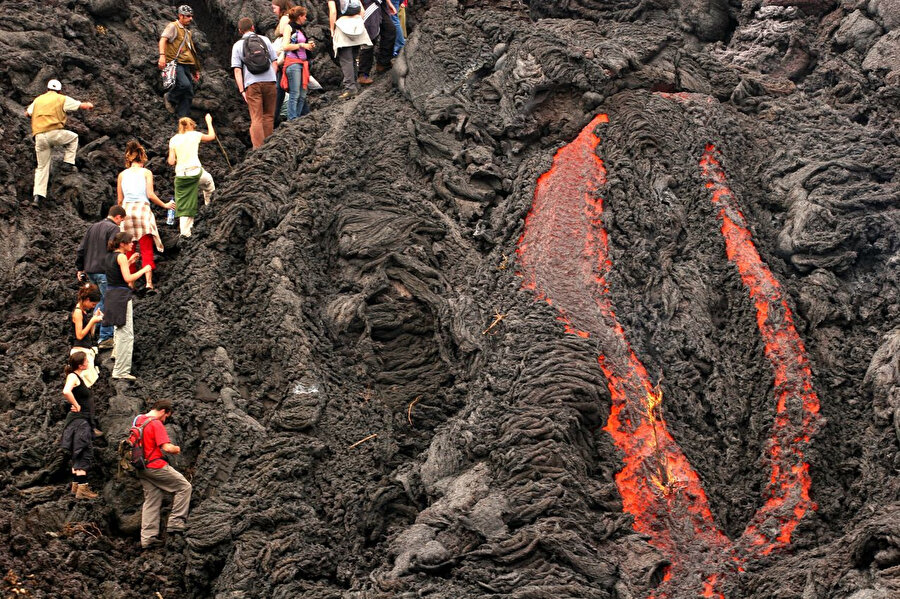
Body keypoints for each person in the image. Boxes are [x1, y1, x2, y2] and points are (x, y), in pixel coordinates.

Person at [25, 80, 94, 207]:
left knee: (42, 167)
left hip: (39, 136)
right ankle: (68, 164)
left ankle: (37, 197)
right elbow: (81, 106)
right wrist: (89, 104)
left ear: (47, 89)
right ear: (59, 90)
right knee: (73, 138)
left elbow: (27, 113)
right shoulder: (61, 99)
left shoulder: (38, 99)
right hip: (54, 133)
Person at [133, 399, 191, 549]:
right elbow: (167, 448)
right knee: (184, 486)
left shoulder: (138, 419)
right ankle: (176, 522)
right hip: (155, 465)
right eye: (166, 416)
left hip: (140, 466)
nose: (165, 420)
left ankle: (147, 538)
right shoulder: (155, 423)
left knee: (152, 498)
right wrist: (177, 449)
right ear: (163, 411)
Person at [117, 141, 174, 292]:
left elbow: (119, 200)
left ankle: (131, 283)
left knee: (129, 248)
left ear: (129, 159)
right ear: (142, 159)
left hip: (127, 212)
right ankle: (149, 283)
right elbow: (150, 194)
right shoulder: (146, 173)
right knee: (146, 248)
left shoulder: (122, 175)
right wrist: (165, 205)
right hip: (142, 211)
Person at [102, 232, 152, 381]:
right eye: (129, 242)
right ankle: (121, 371)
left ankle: (116, 356)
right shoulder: (121, 257)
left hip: (111, 295)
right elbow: (127, 278)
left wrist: (129, 262)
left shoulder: (109, 256)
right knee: (126, 334)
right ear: (122, 244)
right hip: (121, 297)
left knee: (118, 330)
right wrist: (144, 270)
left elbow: (115, 273)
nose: (132, 245)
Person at [76, 205, 127, 350]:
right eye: (121, 220)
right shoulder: (114, 229)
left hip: (91, 270)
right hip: (104, 271)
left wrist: (80, 268)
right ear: (117, 217)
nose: (120, 223)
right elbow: (113, 249)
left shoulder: (93, 227)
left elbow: (81, 249)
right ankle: (105, 337)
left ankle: (92, 330)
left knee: (100, 301)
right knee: (108, 302)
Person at [231, 18, 278, 149]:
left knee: (256, 118)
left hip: (252, 84)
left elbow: (237, 70)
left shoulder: (237, 46)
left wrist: (242, 90)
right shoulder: (265, 40)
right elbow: (274, 62)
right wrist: (272, 78)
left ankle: (259, 149)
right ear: (253, 27)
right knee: (268, 116)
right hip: (270, 81)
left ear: (240, 31)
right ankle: (269, 146)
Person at [60, 351, 102, 499]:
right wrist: (76, 405)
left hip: (80, 421)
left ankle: (76, 487)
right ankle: (83, 490)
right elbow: (66, 391)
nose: (89, 362)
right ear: (80, 364)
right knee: (84, 452)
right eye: (86, 360)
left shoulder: (78, 376)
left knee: (78, 452)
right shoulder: (73, 376)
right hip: (79, 421)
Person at [168, 115, 216, 237]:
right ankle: (210, 208)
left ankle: (185, 236)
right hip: (196, 173)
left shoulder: (173, 139)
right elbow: (211, 136)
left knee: (185, 207)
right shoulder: (195, 134)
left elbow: (171, 161)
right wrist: (209, 122)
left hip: (182, 177)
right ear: (192, 126)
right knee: (209, 183)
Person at [158, 5, 201, 118]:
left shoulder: (187, 32)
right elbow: (163, 40)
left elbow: (190, 52)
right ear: (180, 16)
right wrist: (162, 56)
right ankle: (169, 97)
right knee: (185, 85)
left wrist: (195, 69)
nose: (190, 18)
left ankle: (183, 119)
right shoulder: (173, 26)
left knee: (189, 92)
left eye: (191, 16)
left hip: (185, 65)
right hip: (175, 63)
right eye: (187, 16)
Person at [329, 0, 372, 99]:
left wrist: (332, 29)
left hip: (342, 27)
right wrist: (357, 23)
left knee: (346, 60)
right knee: (353, 58)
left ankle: (350, 88)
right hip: (356, 26)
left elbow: (333, 12)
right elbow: (362, 11)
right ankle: (355, 85)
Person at [281, 6, 316, 120]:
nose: (305, 18)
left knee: (302, 95)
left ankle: (297, 119)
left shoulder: (300, 30)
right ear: (299, 17)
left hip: (302, 64)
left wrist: (309, 45)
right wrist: (302, 45)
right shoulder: (289, 28)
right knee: (295, 94)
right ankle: (292, 119)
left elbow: (302, 45)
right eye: (304, 16)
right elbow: (285, 46)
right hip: (293, 63)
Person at [70, 283, 103, 387]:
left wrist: (94, 318)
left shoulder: (83, 311)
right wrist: (92, 321)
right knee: (84, 385)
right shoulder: (78, 312)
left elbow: (90, 334)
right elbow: (79, 335)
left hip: (86, 349)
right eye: (93, 304)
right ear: (88, 299)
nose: (93, 307)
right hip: (80, 351)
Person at [357, 0, 396, 85]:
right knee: (370, 36)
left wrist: (389, 3)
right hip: (369, 4)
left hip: (381, 4)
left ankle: (383, 63)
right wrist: (360, 6)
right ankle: (363, 74)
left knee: (390, 30)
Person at [271, 0, 295, 127]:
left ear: (280, 7)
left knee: (287, 88)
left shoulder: (285, 19)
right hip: (285, 57)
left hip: (285, 58)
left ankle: (295, 116)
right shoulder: (286, 18)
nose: (273, 10)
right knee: (281, 88)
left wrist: (277, 55)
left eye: (274, 8)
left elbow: (286, 40)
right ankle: (275, 118)